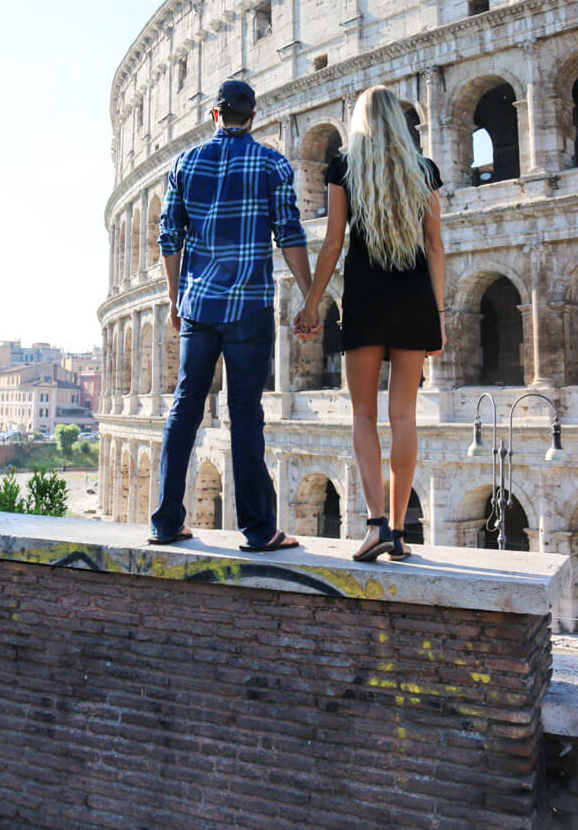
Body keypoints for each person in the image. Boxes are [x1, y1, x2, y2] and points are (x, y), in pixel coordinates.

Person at [149, 79, 313, 552]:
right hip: (250, 307)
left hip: (199, 307)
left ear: (214, 116)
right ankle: (259, 531)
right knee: (245, 416)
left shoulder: (185, 162)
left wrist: (176, 298)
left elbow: (169, 239)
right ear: (253, 116)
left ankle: (165, 522)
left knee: (184, 410)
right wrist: (309, 296)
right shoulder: (272, 163)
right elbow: (289, 234)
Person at [294, 85, 446, 563]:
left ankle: (375, 524)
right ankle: (400, 533)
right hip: (415, 301)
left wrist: (313, 302)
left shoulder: (345, 167)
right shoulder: (425, 171)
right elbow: (436, 245)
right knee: (404, 416)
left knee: (362, 414)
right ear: (399, 122)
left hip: (366, 300)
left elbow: (334, 242)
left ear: (359, 121)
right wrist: (437, 318)